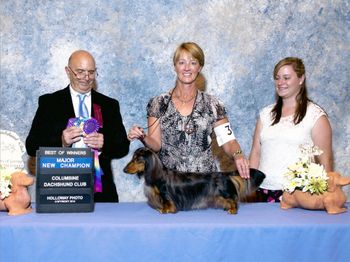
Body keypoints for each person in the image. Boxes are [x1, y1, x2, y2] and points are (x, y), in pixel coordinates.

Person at [128, 42, 250, 177]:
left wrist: (238, 155)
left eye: (193, 62)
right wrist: (143, 137)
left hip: (205, 184)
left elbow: (229, 141)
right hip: (171, 185)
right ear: (174, 66)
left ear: (200, 67)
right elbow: (156, 144)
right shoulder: (159, 103)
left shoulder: (213, 104)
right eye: (181, 62)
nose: (187, 68)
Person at [26, 50, 130, 202]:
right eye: (80, 72)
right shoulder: (49, 103)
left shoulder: (109, 105)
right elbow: (32, 145)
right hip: (61, 191)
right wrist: (61, 141)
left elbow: (123, 146)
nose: (86, 78)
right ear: (68, 71)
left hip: (101, 192)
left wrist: (104, 143)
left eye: (91, 72)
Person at [249, 57, 333, 202]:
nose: (280, 83)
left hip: (299, 196)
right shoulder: (265, 115)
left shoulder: (316, 116)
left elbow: (326, 163)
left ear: (301, 79)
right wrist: (247, 189)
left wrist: (325, 198)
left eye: (286, 78)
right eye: (277, 78)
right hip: (261, 192)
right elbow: (256, 153)